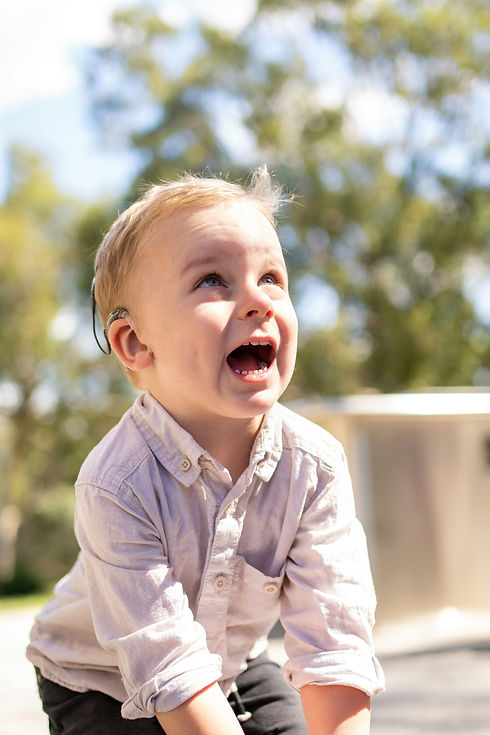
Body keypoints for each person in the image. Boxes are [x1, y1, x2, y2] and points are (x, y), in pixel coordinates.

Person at [27, 167, 384, 734]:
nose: (256, 301)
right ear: (136, 343)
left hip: (231, 666)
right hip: (98, 680)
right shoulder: (117, 483)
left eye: (271, 277)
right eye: (212, 281)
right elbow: (168, 667)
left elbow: (334, 639)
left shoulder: (313, 466)